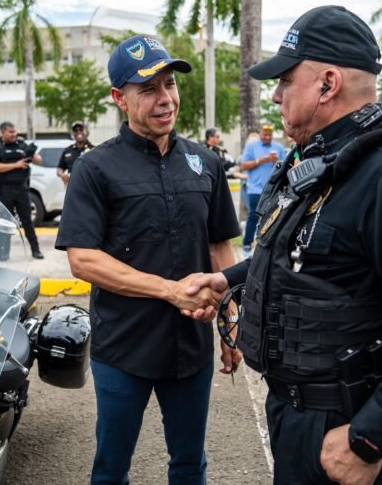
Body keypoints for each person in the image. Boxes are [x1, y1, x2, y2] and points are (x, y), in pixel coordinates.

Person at [185, 6, 382, 484]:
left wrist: (370, 438)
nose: (276, 95)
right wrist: (227, 280)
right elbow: (300, 259)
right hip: (292, 407)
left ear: (327, 83)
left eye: (285, 80)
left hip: (341, 424)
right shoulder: (322, 163)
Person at [55, 34, 241, 485]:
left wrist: (231, 323)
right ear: (120, 98)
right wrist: (169, 290)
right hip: (124, 350)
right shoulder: (95, 168)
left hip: (190, 349)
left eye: (170, 85)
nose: (165, 100)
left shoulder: (205, 163)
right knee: (112, 466)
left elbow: (220, 249)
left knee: (189, 463)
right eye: (149, 89)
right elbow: (83, 261)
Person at [0, 121, 44, 260]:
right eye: (11, 132)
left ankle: (35, 250)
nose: (14, 134)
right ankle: (2, 253)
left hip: (22, 190)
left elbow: (38, 160)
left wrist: (32, 154)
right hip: (5, 190)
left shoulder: (21, 144)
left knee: (27, 222)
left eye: (15, 131)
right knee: (5, 223)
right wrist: (17, 164)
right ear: (2, 133)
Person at [239, 122, 286, 256]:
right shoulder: (251, 146)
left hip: (274, 189)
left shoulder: (279, 147)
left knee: (273, 216)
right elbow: (243, 165)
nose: (267, 137)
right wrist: (260, 161)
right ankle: (247, 245)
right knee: (253, 216)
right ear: (260, 133)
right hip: (255, 188)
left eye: (269, 135)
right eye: (265, 134)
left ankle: (268, 246)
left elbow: (286, 165)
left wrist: (278, 161)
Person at [57, 120, 94, 186]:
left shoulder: (93, 149)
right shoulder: (67, 150)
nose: (78, 132)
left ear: (86, 132)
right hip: (72, 187)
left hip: (89, 186)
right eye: (75, 130)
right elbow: (60, 168)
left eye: (81, 129)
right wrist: (63, 175)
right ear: (73, 133)